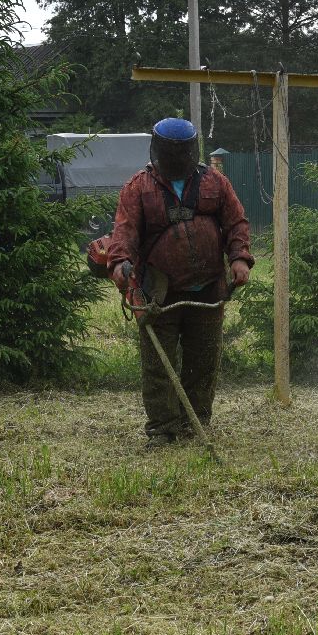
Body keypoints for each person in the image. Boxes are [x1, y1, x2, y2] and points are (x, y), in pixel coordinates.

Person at [108, 118, 254, 444]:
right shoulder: (138, 188)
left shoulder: (214, 183)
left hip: (208, 287)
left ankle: (195, 423)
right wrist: (120, 264)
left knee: (202, 362)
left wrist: (240, 257)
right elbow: (125, 233)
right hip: (158, 291)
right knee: (159, 364)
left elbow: (236, 222)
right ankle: (163, 428)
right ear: (159, 150)